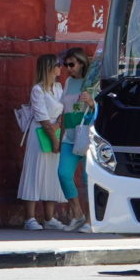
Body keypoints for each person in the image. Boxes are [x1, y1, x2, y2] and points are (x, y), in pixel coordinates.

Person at [17, 53, 70, 228]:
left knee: (51, 174)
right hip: (39, 134)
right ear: (48, 68)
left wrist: (58, 127)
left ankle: (49, 218)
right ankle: (29, 218)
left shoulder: (58, 87)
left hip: (55, 130)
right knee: (35, 172)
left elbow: (65, 109)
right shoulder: (37, 89)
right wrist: (54, 138)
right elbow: (41, 116)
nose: (60, 68)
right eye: (57, 65)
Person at [55, 47, 93, 227]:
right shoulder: (69, 82)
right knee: (63, 174)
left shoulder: (91, 81)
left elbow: (101, 108)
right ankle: (77, 213)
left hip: (86, 136)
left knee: (88, 180)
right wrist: (59, 136)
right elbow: (65, 111)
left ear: (81, 62)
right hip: (69, 136)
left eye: (71, 64)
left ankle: (90, 219)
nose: (68, 68)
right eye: (66, 65)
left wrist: (91, 101)